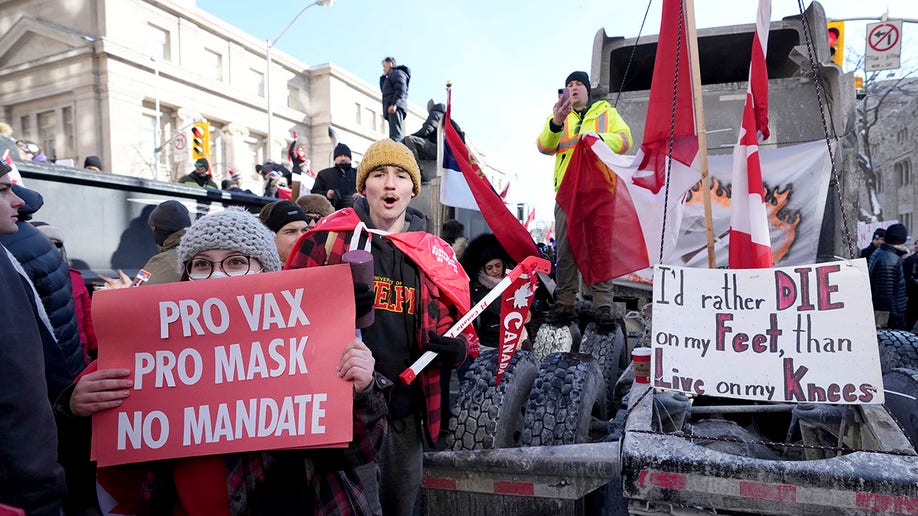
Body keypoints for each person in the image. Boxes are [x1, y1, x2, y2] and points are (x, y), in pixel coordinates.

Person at [59, 208, 387, 515]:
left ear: (267, 272)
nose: (218, 276)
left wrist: (362, 393)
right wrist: (74, 409)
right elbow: (85, 457)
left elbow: (357, 453)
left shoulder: (312, 345)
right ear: (186, 276)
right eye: (201, 264)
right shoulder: (150, 352)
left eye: (235, 261)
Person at [287, 138, 470, 515]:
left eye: (401, 175)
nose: (390, 184)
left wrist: (460, 349)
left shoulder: (433, 252)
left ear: (412, 189)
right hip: (344, 414)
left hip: (406, 415)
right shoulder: (327, 240)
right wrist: (334, 307)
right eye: (380, 174)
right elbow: (287, 321)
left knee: (403, 507)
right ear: (364, 187)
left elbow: (461, 323)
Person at [536, 70, 632, 328]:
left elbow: (625, 141)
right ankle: (565, 302)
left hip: (599, 193)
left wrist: (598, 138)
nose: (574, 87)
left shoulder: (605, 113)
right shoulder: (559, 115)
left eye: (579, 84)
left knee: (599, 250)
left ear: (588, 90)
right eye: (569, 84)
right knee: (565, 251)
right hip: (567, 194)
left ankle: (603, 306)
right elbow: (544, 146)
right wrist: (555, 122)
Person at [0, 161, 67, 516]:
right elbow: (18, 386)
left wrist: (68, 399)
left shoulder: (5, 256)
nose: (18, 202)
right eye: (2, 190)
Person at [0, 184, 85, 398]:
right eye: (3, 191)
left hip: (40, 392)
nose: (17, 201)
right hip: (65, 376)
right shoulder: (32, 240)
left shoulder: (11, 251)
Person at [37, 225, 98, 363]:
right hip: (45, 352)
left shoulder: (75, 278)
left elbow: (87, 316)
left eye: (57, 244)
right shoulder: (28, 277)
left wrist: (96, 349)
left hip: (77, 350)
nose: (53, 248)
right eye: (47, 243)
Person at [868, 223, 909, 330]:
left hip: (887, 312)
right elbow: (885, 293)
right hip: (890, 316)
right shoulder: (890, 259)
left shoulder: (881, 253)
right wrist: (896, 315)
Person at [403, 100, 465, 166]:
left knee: (409, 139)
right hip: (447, 152)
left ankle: (417, 169)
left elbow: (426, 130)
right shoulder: (446, 118)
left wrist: (410, 136)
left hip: (438, 149)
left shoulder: (436, 114)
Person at [312, 143, 359, 210]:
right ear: (335, 158)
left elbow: (368, 189)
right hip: (330, 213)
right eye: (340, 156)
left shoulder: (358, 174)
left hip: (354, 212)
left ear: (350, 158)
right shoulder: (324, 174)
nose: (343, 158)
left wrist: (360, 195)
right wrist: (327, 194)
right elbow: (314, 192)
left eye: (345, 155)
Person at [379, 57, 410, 142]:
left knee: (396, 135)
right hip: (392, 108)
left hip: (395, 107)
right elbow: (384, 90)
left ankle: (398, 150)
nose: (383, 68)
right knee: (393, 134)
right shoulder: (390, 77)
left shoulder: (397, 74)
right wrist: (383, 77)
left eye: (384, 66)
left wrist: (394, 104)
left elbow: (401, 89)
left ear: (390, 64)